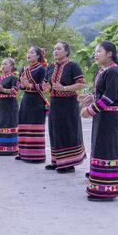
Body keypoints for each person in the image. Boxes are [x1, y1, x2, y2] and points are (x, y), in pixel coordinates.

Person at [80, 41, 118, 201]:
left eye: (99, 51)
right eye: (95, 51)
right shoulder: (104, 70)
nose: (96, 54)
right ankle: (99, 188)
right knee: (99, 148)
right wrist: (91, 98)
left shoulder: (113, 71)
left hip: (109, 118)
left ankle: (106, 191)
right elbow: (102, 93)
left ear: (110, 53)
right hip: (103, 117)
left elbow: (109, 97)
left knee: (106, 150)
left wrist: (89, 110)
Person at [44, 41, 86, 173]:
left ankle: (69, 164)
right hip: (55, 103)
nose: (55, 51)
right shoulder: (51, 67)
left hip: (68, 104)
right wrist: (47, 87)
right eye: (54, 49)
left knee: (67, 131)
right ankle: (57, 161)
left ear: (66, 51)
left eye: (58, 49)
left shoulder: (73, 66)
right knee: (55, 131)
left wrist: (64, 88)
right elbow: (46, 85)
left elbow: (81, 84)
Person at [16, 47, 48, 163]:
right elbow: (19, 85)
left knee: (34, 126)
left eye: (32, 52)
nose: (29, 54)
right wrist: (23, 85)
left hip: (37, 101)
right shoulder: (24, 69)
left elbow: (44, 87)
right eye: (28, 52)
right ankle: (23, 153)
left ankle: (35, 156)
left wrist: (29, 85)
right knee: (24, 124)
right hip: (26, 100)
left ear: (38, 56)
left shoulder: (42, 69)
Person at [0, 58, 19, 156]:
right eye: (2, 64)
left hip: (10, 105)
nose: (3, 66)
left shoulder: (13, 78)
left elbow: (15, 91)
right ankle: (0, 147)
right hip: (2, 104)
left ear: (11, 66)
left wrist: (2, 89)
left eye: (6, 64)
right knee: (1, 124)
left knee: (9, 124)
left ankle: (10, 149)